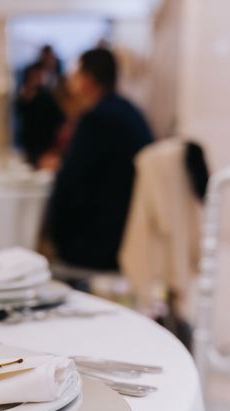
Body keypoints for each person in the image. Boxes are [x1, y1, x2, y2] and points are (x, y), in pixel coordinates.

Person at [46, 48, 153, 270]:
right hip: (129, 225)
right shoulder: (129, 111)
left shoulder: (97, 119)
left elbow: (69, 181)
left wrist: (51, 235)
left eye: (76, 74)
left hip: (101, 239)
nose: (71, 81)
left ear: (88, 80)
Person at [15, 62, 66, 168]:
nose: (35, 79)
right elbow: (19, 114)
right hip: (29, 140)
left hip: (45, 141)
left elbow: (58, 118)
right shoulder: (24, 96)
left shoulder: (47, 96)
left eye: (38, 76)